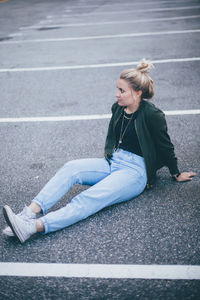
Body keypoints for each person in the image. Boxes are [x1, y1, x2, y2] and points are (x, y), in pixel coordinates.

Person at [3, 59, 196, 243]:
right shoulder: (119, 108)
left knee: (89, 198)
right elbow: (113, 137)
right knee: (72, 168)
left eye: (122, 91)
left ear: (137, 93)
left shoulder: (152, 114)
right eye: (117, 89)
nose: (117, 94)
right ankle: (29, 213)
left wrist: (176, 173)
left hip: (134, 173)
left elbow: (165, 145)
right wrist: (109, 155)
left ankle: (32, 227)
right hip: (114, 162)